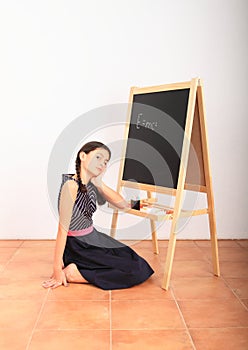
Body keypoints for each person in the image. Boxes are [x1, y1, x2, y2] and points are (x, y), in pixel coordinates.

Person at [42, 141, 154, 290]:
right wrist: (57, 269)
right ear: (83, 156)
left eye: (106, 162)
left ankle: (82, 270)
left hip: (93, 237)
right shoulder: (71, 186)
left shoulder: (92, 184)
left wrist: (134, 203)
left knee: (137, 262)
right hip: (79, 246)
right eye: (98, 157)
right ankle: (74, 274)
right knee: (133, 272)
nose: (102, 164)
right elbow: (62, 229)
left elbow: (120, 204)